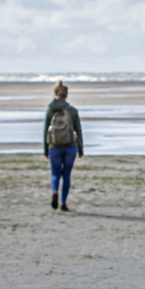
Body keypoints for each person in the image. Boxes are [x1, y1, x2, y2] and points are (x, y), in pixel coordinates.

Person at [43, 82, 83, 211]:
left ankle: (55, 191)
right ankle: (63, 203)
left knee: (55, 174)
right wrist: (81, 149)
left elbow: (45, 130)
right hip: (70, 146)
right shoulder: (72, 111)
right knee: (66, 175)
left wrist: (46, 148)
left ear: (55, 94)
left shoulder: (51, 110)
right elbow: (78, 130)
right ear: (67, 95)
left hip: (54, 146)